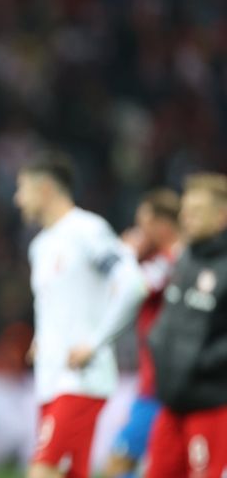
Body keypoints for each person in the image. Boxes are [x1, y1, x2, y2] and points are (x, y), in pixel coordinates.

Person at [13, 152, 146, 478]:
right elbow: (55, 301)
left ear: (45, 189)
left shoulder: (87, 230)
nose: (18, 199)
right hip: (49, 379)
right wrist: (41, 337)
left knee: (42, 471)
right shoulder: (40, 245)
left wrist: (95, 342)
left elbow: (132, 285)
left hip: (80, 379)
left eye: (23, 189)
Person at [144, 172, 227, 478]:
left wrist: (201, 362)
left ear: (221, 216)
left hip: (211, 404)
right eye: (185, 211)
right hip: (171, 402)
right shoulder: (185, 260)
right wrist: (156, 343)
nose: (186, 218)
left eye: (196, 211)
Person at [104, 189, 181, 478]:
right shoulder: (166, 259)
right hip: (159, 379)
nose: (138, 231)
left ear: (163, 225)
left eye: (143, 224)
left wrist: (126, 254)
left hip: (161, 383)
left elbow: (133, 288)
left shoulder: (170, 260)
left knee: (118, 463)